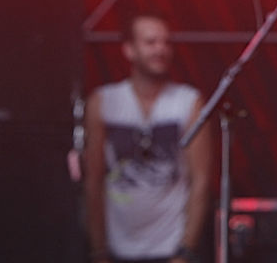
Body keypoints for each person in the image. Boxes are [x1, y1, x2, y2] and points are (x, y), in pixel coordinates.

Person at [84, 13, 212, 263]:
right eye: (151, 42)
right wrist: (98, 250)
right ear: (129, 50)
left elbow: (201, 181)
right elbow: (93, 180)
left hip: (171, 247)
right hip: (118, 248)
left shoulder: (188, 102)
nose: (160, 50)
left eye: (166, 43)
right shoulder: (104, 102)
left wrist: (185, 250)